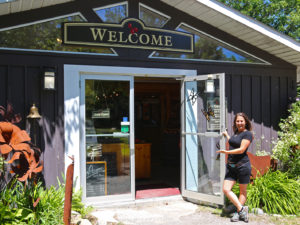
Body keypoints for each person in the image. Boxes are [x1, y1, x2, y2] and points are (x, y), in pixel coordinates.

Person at [217, 112, 253, 223]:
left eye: (241, 121)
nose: (239, 123)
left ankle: (238, 214)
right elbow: (233, 142)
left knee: (243, 191)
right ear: (235, 122)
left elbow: (241, 149)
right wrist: (227, 135)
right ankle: (242, 209)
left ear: (246, 122)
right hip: (231, 167)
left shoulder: (248, 134)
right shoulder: (236, 132)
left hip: (242, 166)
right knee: (226, 189)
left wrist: (226, 151)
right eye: (237, 121)